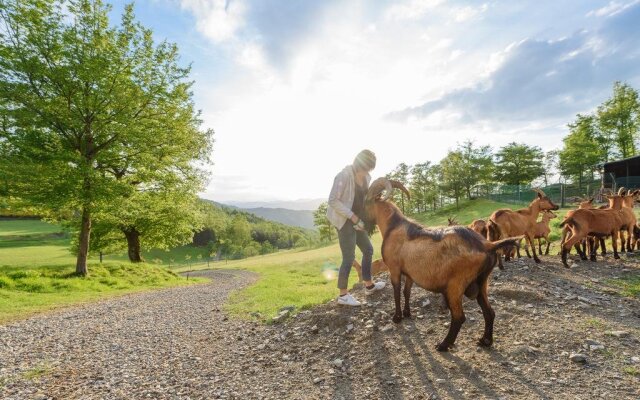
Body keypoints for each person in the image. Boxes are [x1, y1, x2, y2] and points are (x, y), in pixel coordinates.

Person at [326, 149, 386, 306]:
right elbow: (332, 200)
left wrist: (374, 198)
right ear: (358, 164)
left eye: (369, 170)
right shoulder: (344, 176)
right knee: (348, 257)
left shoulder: (367, 177)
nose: (366, 173)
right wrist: (352, 216)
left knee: (368, 249)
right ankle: (343, 296)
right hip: (344, 220)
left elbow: (365, 198)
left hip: (357, 220)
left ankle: (369, 285)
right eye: (365, 169)